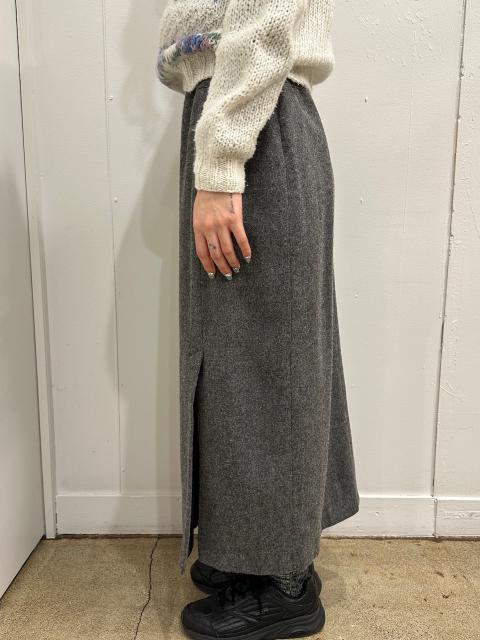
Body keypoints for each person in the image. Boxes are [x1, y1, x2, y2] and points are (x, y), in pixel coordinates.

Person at [156, 1, 360, 638]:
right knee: (237, 355)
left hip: (256, 130)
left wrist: (220, 164)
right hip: (240, 119)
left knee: (273, 360)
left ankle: (284, 581)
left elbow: (265, 25)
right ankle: (252, 545)